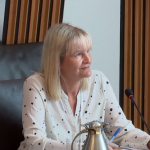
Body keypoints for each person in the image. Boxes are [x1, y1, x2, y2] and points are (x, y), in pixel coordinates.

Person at [18, 23, 150, 150]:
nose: (89, 59)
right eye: (78, 54)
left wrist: (148, 142)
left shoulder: (99, 81)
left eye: (88, 51)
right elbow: (34, 143)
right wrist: (90, 147)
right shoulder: (35, 85)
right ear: (57, 61)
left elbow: (121, 131)